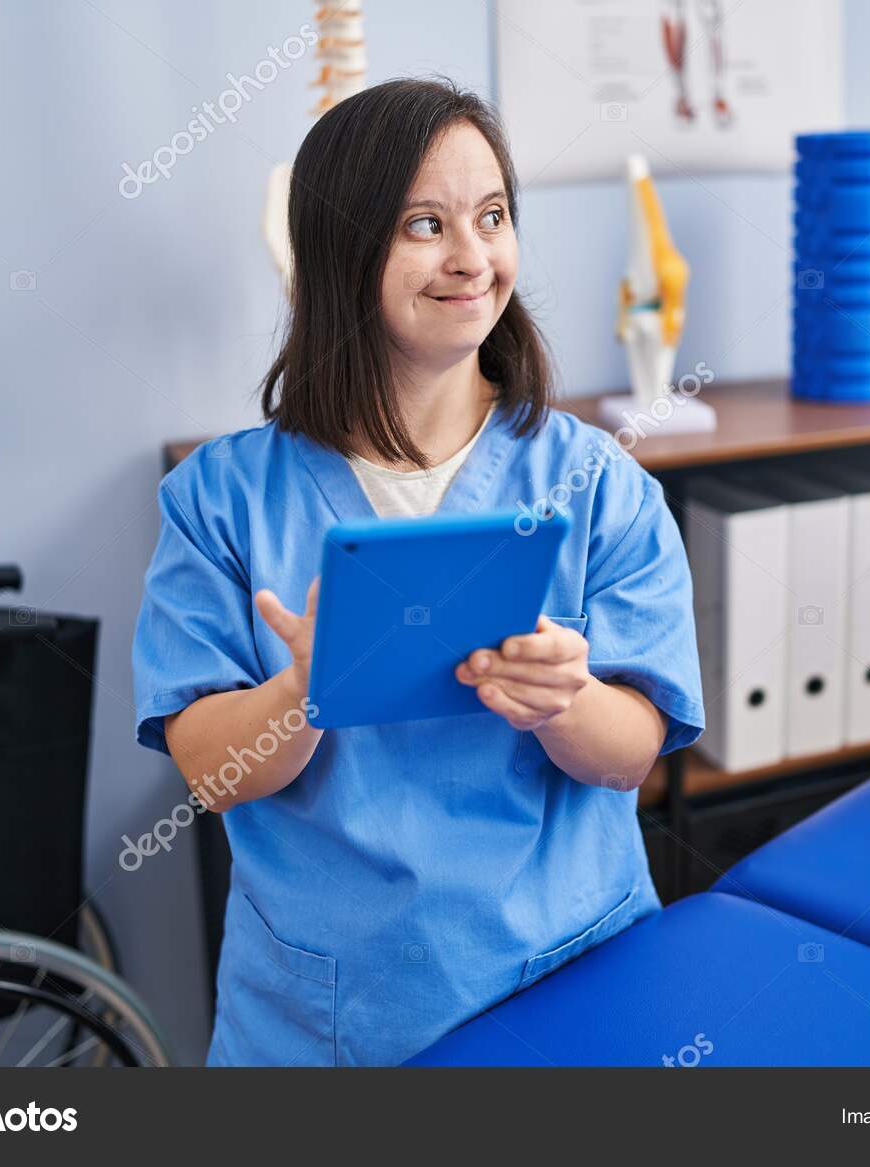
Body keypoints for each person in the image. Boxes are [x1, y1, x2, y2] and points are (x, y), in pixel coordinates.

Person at [132, 77, 704, 1066]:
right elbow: (209, 774)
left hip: (562, 980)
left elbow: (632, 757)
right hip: (331, 1014)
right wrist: (302, 691)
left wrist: (563, 701)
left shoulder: (598, 484)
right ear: (341, 250)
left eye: (493, 216)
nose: (472, 257)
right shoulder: (220, 501)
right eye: (425, 225)